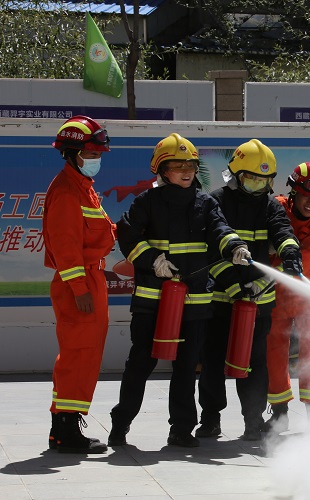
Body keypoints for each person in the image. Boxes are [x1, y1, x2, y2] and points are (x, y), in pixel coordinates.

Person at [108, 133, 252, 448]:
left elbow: (220, 229)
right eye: (177, 165)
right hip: (152, 301)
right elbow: (128, 235)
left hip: (194, 303)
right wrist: (153, 260)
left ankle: (182, 429)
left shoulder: (205, 203)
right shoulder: (146, 202)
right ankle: (121, 423)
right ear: (162, 169)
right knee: (141, 363)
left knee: (186, 367)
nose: (186, 171)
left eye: (191, 165)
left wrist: (235, 246)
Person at [196, 139, 302, 441]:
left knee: (255, 364)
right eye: (251, 178)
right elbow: (210, 250)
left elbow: (283, 231)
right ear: (235, 175)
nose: (258, 185)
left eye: (264, 180)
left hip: (258, 300)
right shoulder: (215, 202)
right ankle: (210, 419)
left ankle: (253, 422)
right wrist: (233, 285)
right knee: (212, 361)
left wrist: (290, 250)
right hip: (220, 298)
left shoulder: (270, 206)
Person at [43, 116, 116, 454]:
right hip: (80, 283)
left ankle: (65, 426)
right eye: (90, 154)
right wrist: (79, 289)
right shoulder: (67, 191)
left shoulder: (83, 187)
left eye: (98, 154)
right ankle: (66, 431)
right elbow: (65, 246)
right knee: (78, 355)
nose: (96, 159)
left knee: (85, 355)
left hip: (91, 279)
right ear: (71, 154)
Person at [262, 160, 310, 433]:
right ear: (293, 191)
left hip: (308, 292)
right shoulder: (276, 207)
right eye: (306, 195)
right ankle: (279, 413)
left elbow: (301, 266)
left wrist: (274, 258)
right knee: (274, 348)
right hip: (277, 293)